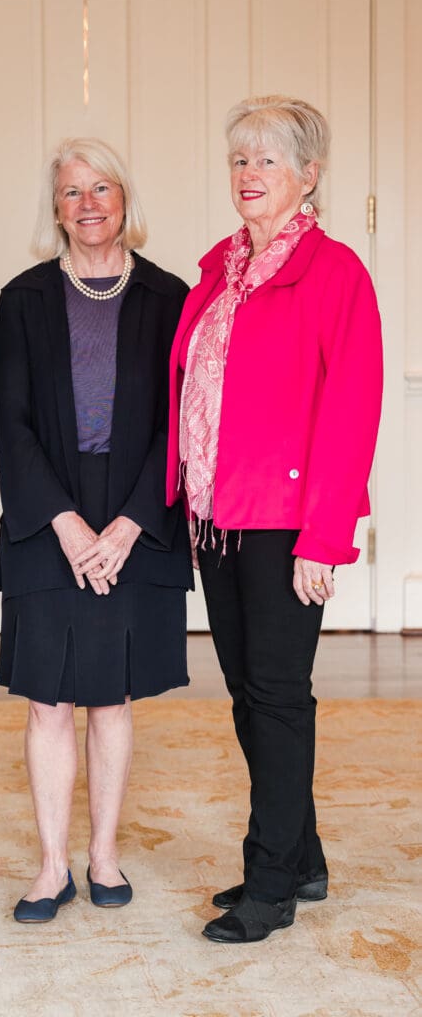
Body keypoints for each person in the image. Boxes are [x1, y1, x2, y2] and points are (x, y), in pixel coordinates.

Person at [167, 95, 383, 943]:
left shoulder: (334, 273)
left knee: (278, 698)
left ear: (307, 175)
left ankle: (270, 886)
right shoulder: (220, 269)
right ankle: (303, 855)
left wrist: (325, 538)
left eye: (266, 161)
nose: (248, 177)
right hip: (218, 518)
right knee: (249, 699)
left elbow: (352, 411)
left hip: (287, 522)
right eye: (238, 161)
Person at [0, 137, 193, 922]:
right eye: (71, 192)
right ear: (56, 209)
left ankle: (102, 855)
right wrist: (70, 526)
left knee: (110, 698)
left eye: (100, 188)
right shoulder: (22, 297)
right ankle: (51, 868)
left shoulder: (170, 296)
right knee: (47, 699)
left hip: (137, 511)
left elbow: (177, 426)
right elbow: (9, 422)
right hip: (49, 510)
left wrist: (130, 523)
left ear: (124, 200)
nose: (87, 205)